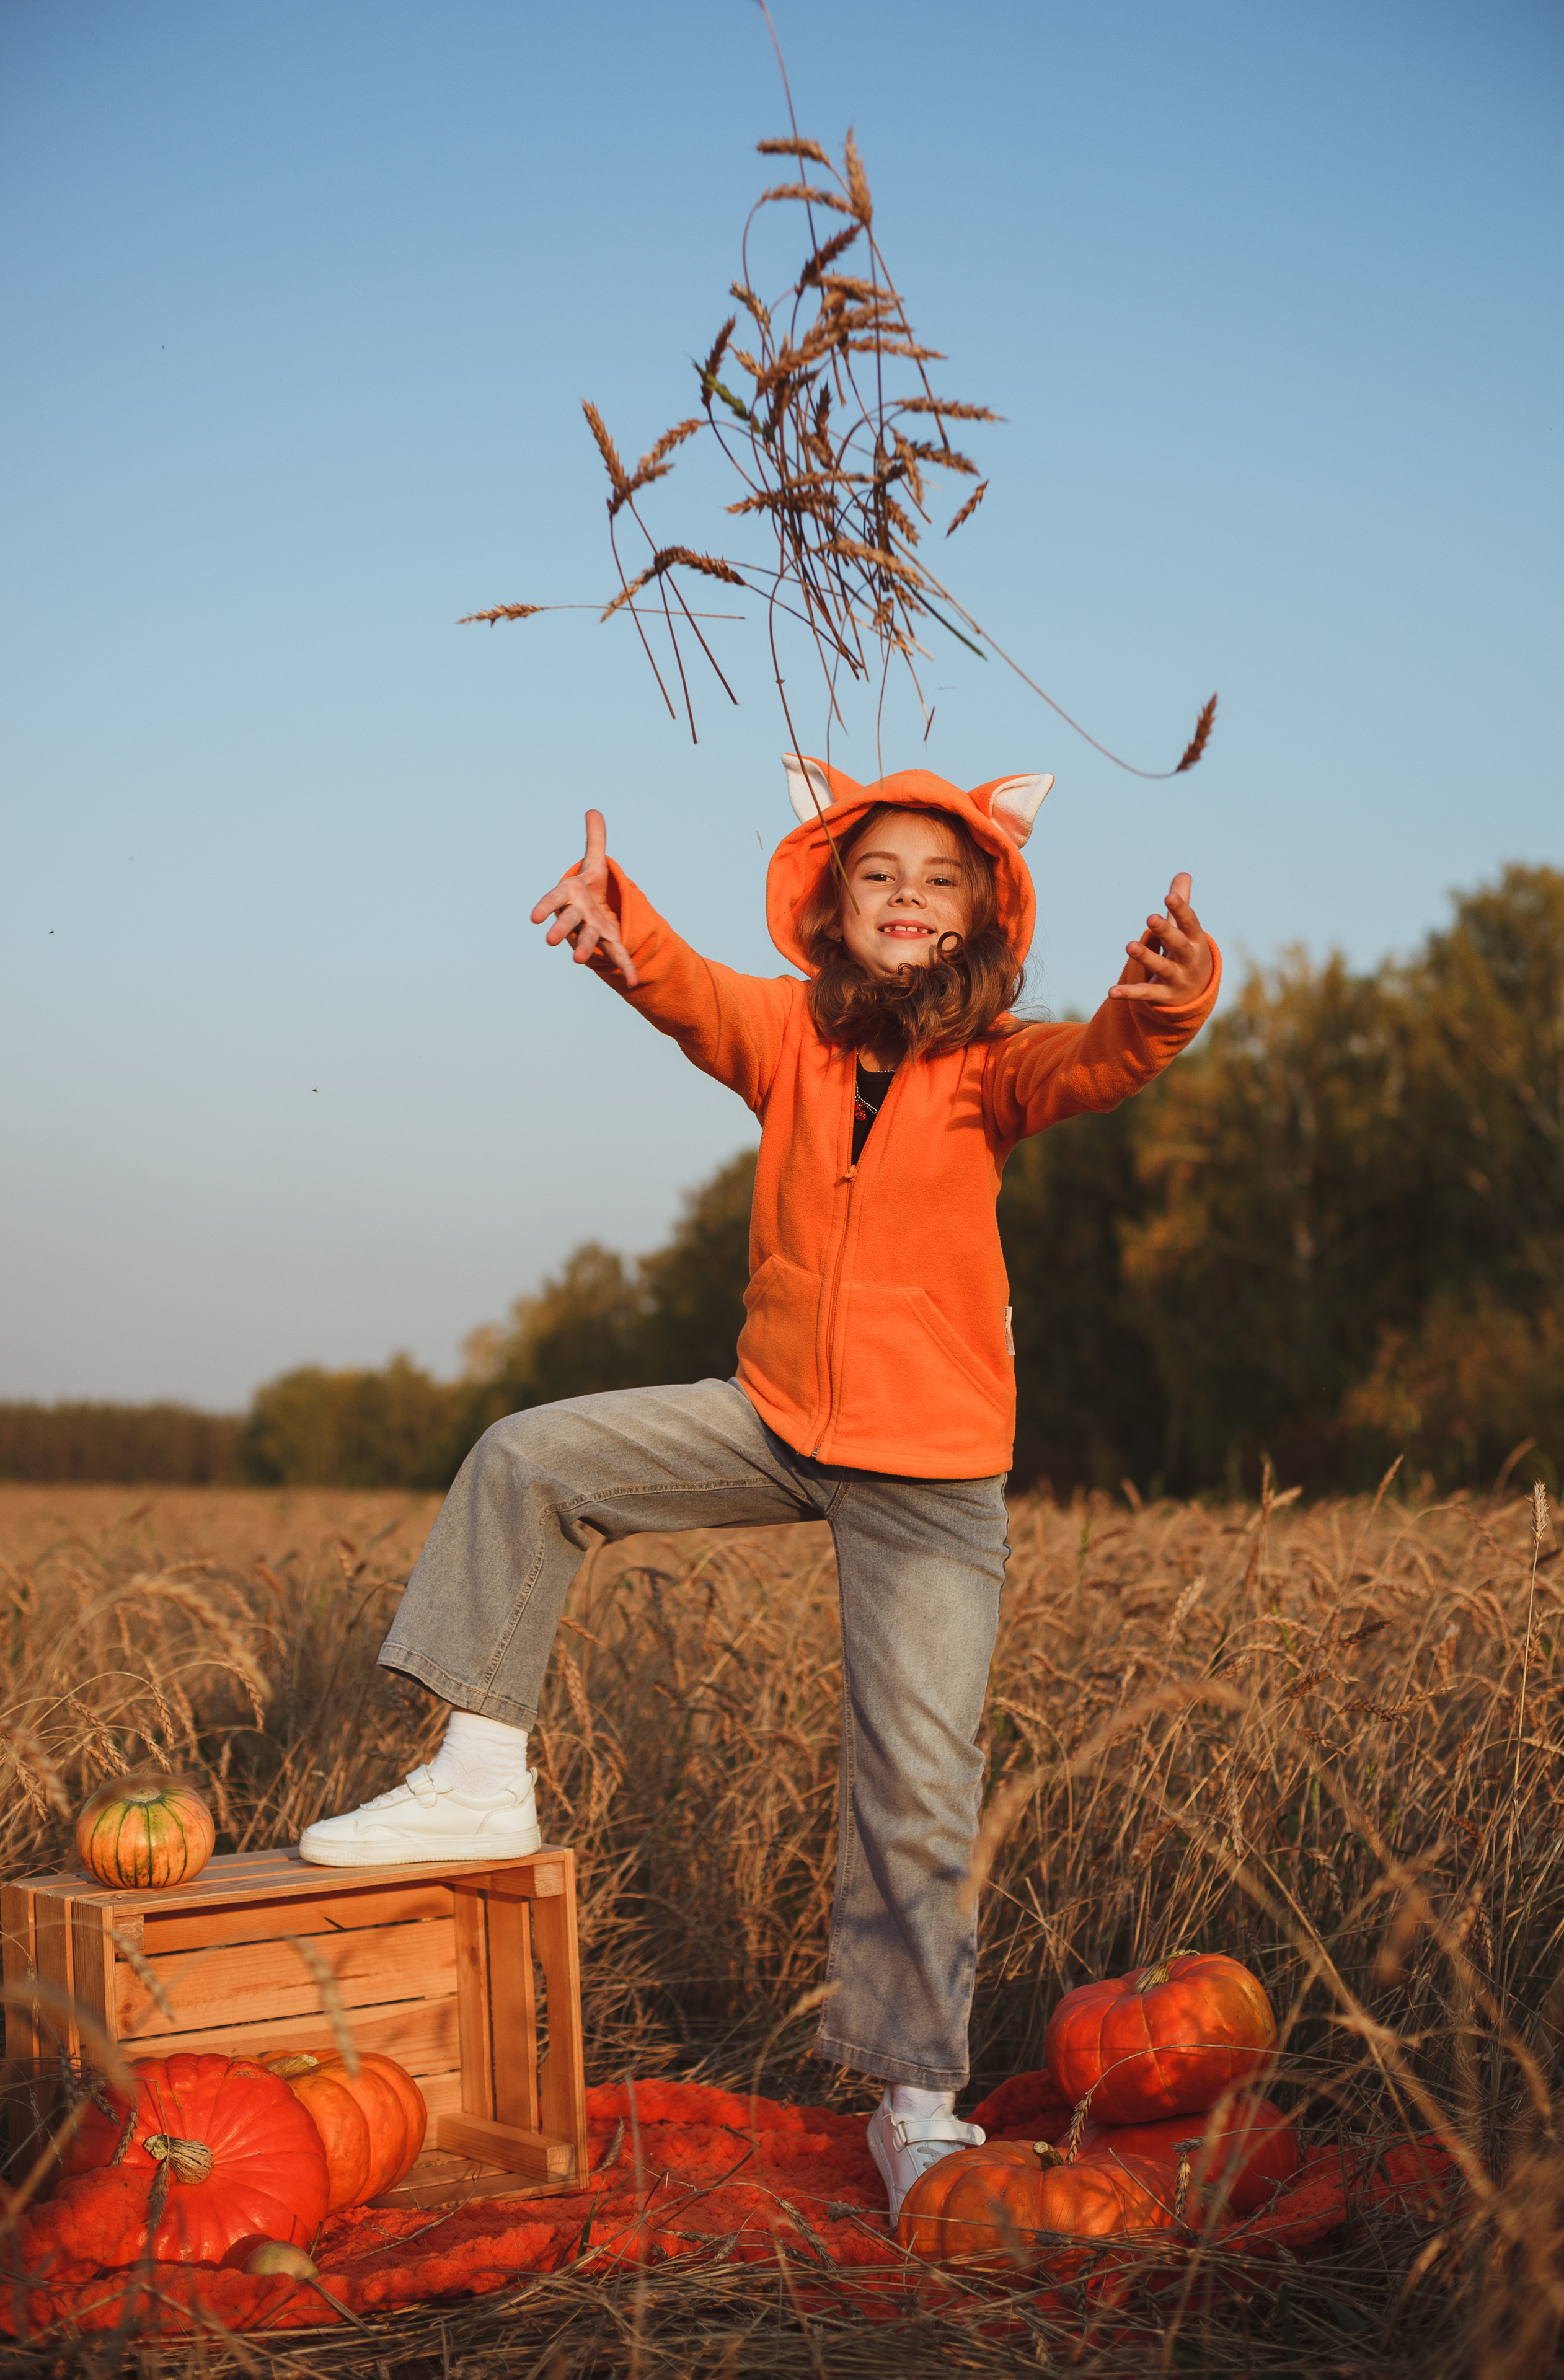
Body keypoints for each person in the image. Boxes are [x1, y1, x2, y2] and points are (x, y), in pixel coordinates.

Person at [298, 754, 1220, 2221]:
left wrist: (1167, 993)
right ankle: (478, 1785)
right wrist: (619, 927)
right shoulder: (787, 1037)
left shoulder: (994, 1066)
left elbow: (1107, 1055)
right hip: (774, 1415)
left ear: (978, 914)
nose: (907, 899)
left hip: (928, 1469)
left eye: (937, 881)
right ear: (832, 904)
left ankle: (915, 2104)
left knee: (917, 1779)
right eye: (878, 877)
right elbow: (685, 990)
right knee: (530, 1456)